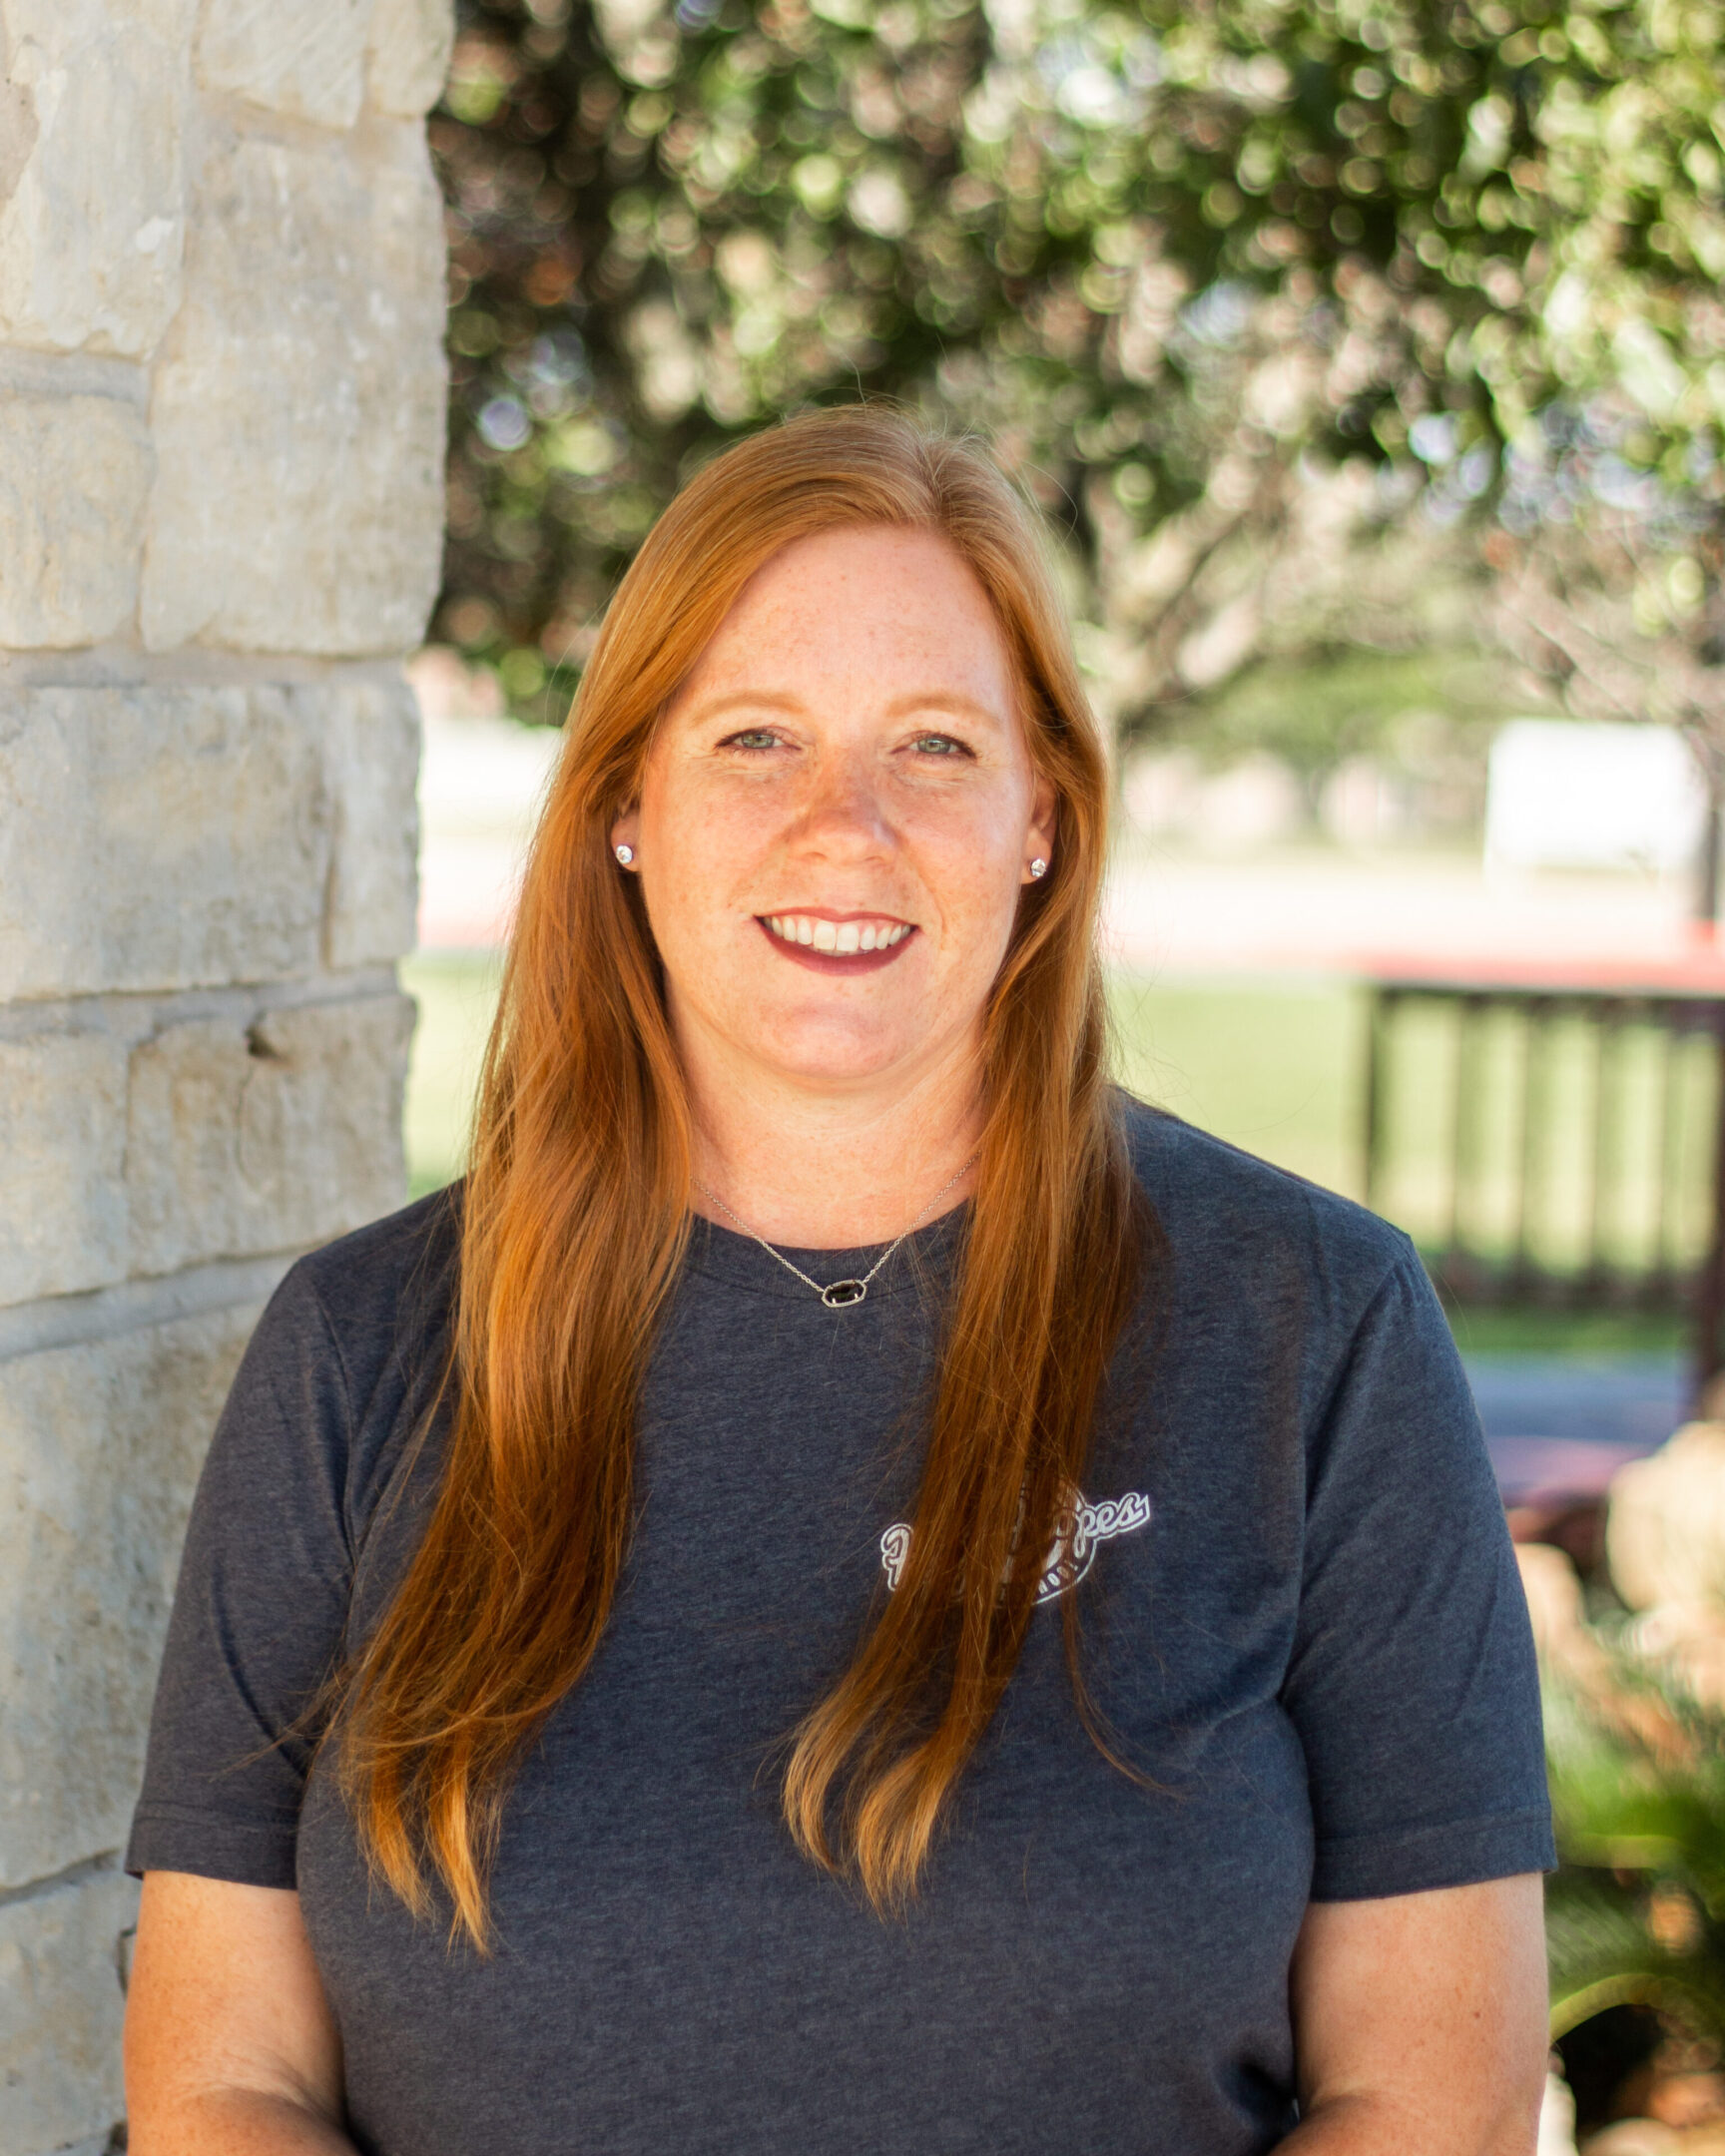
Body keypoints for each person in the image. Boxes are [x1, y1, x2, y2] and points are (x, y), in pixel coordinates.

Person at [123, 406, 1553, 2156]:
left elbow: (1438, 2100)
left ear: (1044, 818)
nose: (844, 827)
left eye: (936, 748)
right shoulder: (360, 1352)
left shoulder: (1312, 1330)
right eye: (756, 740)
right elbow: (219, 2082)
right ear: (629, 804)